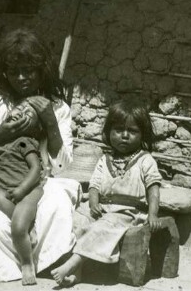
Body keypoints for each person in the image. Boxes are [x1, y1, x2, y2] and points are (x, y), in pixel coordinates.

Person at [0, 28, 80, 284]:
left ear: (42, 70)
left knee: (58, 206)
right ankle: (26, 254)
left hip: (39, 182)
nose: (22, 78)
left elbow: (62, 165)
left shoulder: (57, 108)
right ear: (4, 73)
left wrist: (50, 122)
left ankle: (44, 259)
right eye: (14, 72)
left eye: (29, 70)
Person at [50, 99, 163, 287]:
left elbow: (154, 188)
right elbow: (94, 185)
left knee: (103, 227)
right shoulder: (104, 159)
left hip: (127, 212)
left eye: (133, 131)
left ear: (143, 134)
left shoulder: (146, 160)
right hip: (103, 208)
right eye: (118, 130)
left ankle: (71, 264)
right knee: (78, 220)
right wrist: (93, 203)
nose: (125, 136)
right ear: (108, 132)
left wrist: (153, 214)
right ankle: (77, 273)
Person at [0, 100, 46, 285]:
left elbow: (36, 168)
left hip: (28, 190)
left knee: (17, 227)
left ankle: (26, 263)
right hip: (7, 192)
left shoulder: (25, 142)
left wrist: (22, 189)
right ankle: (27, 226)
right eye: (14, 113)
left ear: (33, 127)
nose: (19, 112)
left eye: (26, 114)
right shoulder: (0, 144)